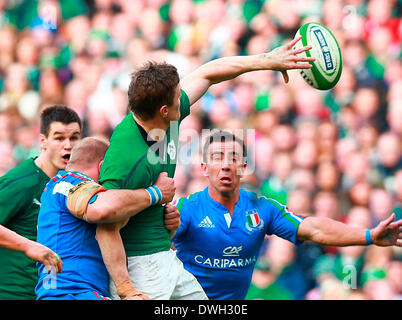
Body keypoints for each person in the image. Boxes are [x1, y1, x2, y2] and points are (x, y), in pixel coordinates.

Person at [96, 36, 316, 300]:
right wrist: (125, 288)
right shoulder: (127, 156)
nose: (184, 97)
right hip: (139, 269)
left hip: (165, 257)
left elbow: (208, 73)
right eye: (179, 96)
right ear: (164, 110)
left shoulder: (163, 119)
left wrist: (267, 60)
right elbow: (104, 220)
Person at [170, 130, 402, 300]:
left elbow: (314, 228)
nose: (226, 165)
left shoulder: (262, 209)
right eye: (217, 157)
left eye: (233, 158)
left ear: (243, 167)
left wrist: (370, 236)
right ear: (203, 168)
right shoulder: (186, 209)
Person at [35, 137, 177, 300]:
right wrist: (156, 193)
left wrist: (169, 226)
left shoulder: (57, 189)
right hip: (71, 293)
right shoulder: (69, 182)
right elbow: (103, 209)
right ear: (104, 167)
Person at [0, 105, 81, 300]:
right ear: (43, 141)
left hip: (56, 293)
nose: (68, 145)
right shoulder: (22, 182)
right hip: (15, 294)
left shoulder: (78, 181)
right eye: (59, 138)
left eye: (75, 138)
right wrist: (29, 246)